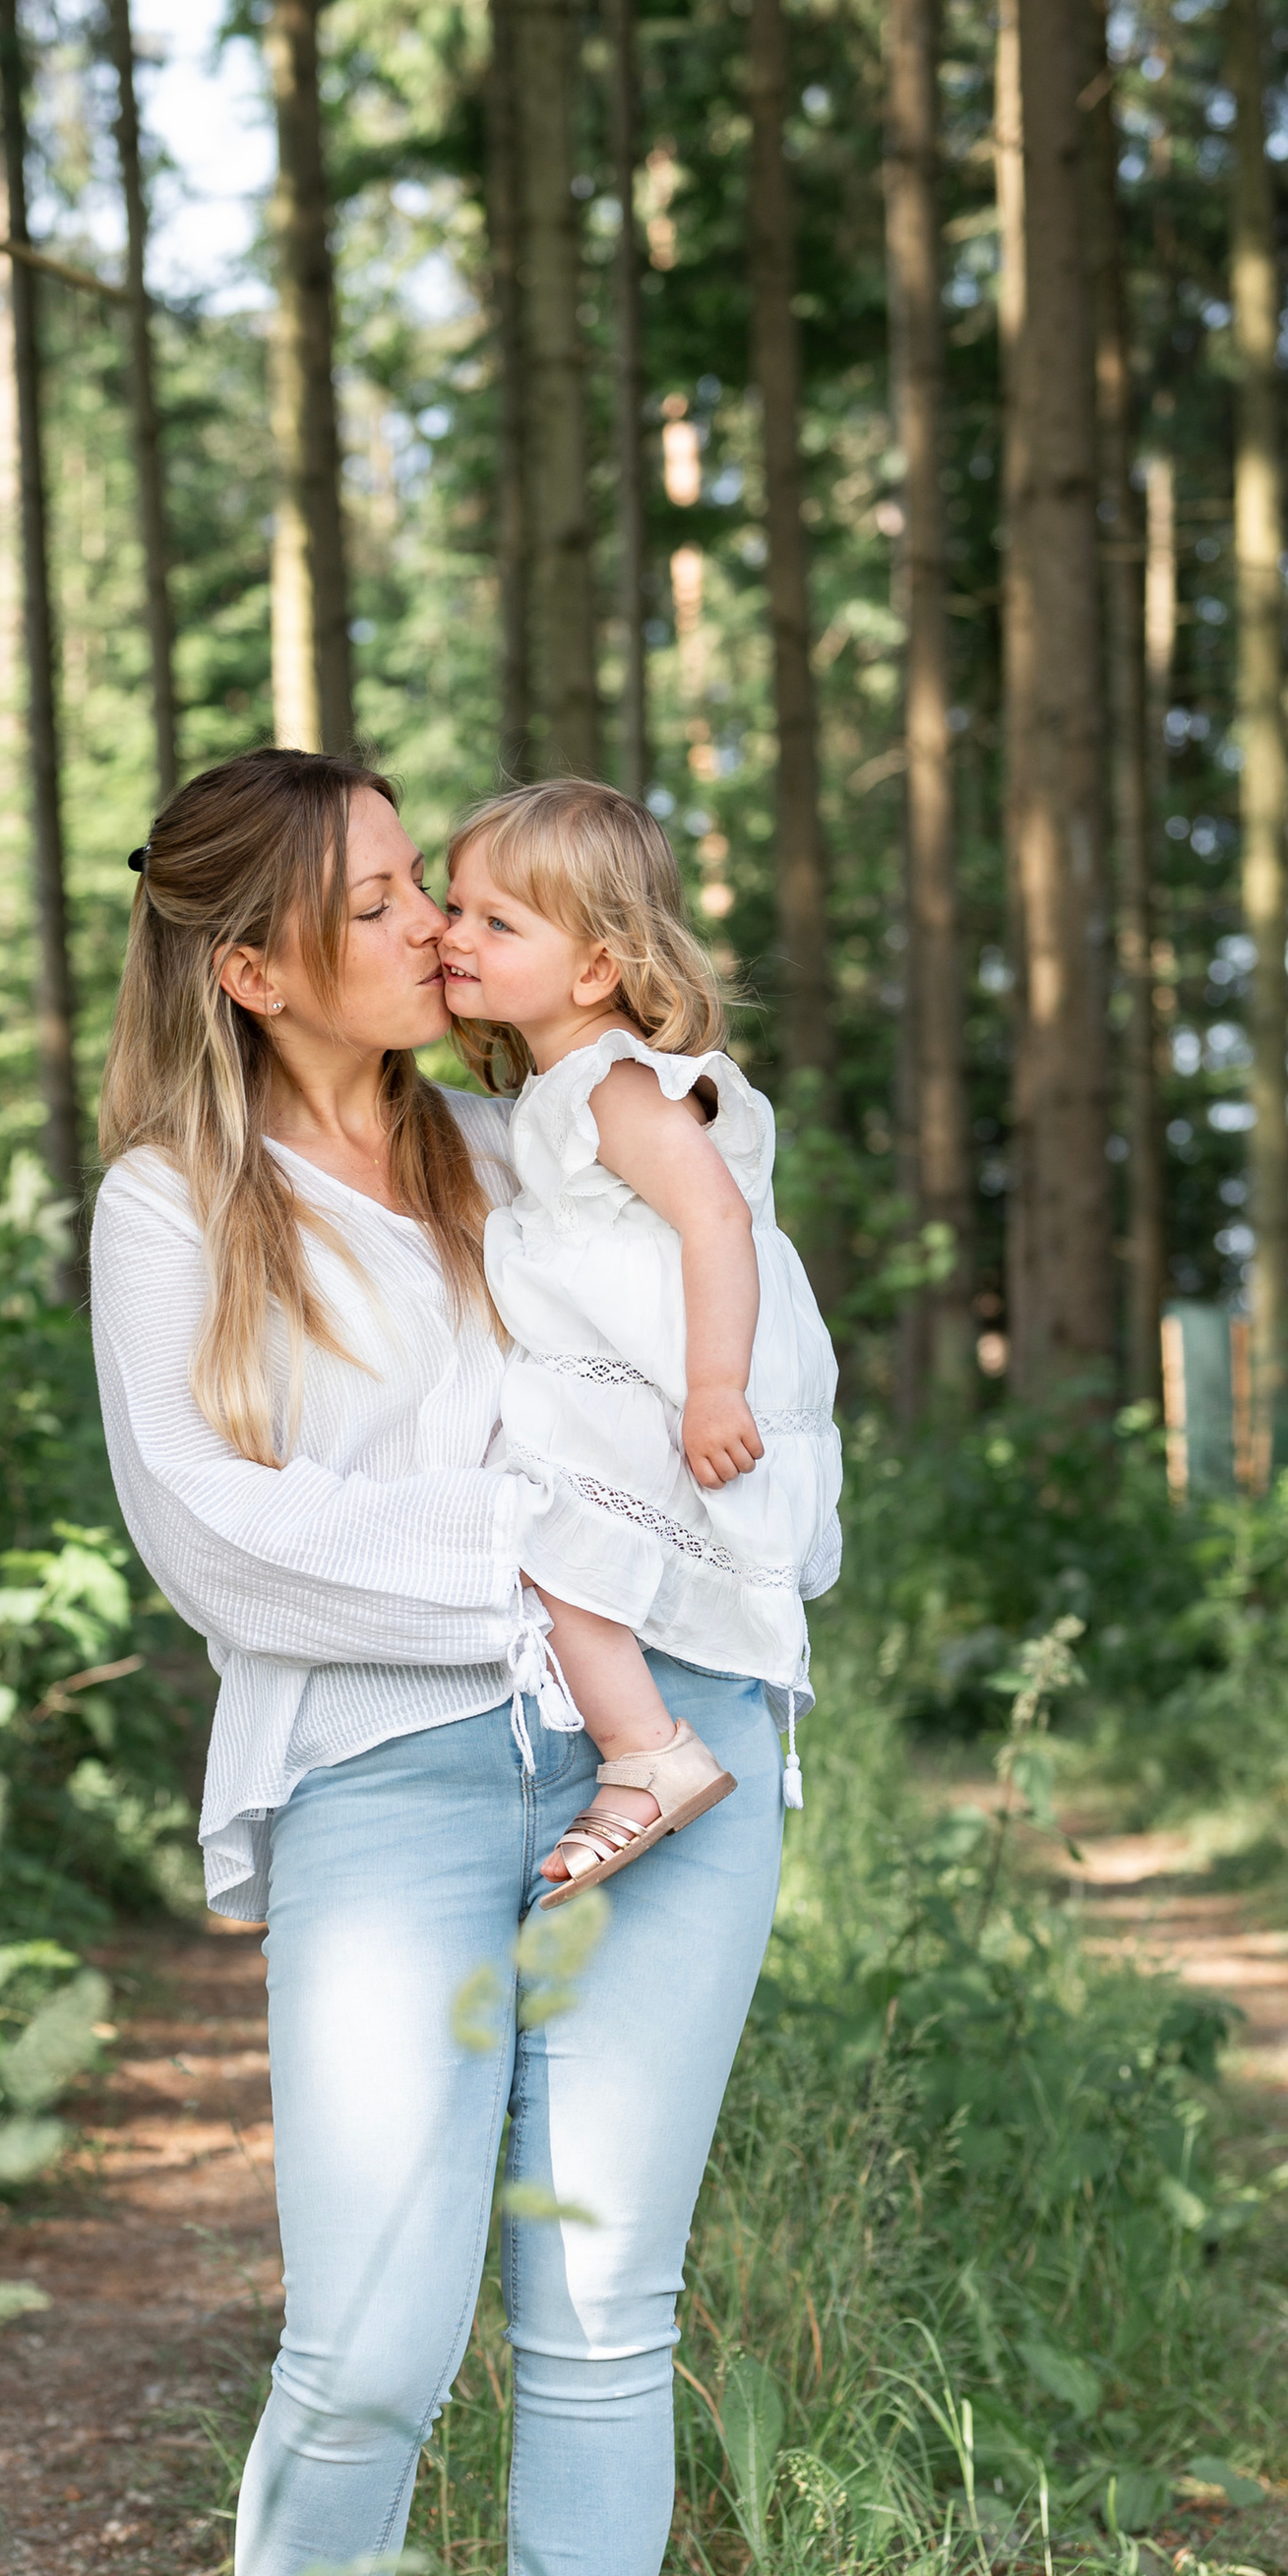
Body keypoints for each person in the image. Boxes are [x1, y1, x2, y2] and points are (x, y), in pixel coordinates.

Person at [89, 747, 827, 2576]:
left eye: (435, 884)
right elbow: (220, 1534)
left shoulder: (542, 1144)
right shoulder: (171, 1207)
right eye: (379, 897)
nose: (429, 922)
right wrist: (536, 1542)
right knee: (368, 2331)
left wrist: (651, 1571)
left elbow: (751, 1388)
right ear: (251, 969)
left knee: (599, 2311)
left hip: (674, 1739)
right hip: (388, 1768)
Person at [441, 778, 841, 1899]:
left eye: (496, 922)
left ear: (594, 969)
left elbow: (719, 1221)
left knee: (537, 1525)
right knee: (547, 1534)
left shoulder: (615, 1084)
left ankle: (647, 1752)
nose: (452, 936)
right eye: (456, 906)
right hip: (637, 1369)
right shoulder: (571, 1077)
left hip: (664, 1376)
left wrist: (715, 1388)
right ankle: (641, 1745)